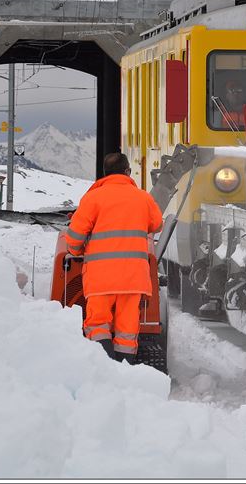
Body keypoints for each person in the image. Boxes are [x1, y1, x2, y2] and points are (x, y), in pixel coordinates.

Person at [64, 152, 163, 362]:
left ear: (104, 174)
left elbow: (73, 237)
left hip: (100, 279)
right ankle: (124, 368)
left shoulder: (93, 198)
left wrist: (76, 251)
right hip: (133, 278)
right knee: (127, 329)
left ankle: (103, 365)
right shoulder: (143, 197)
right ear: (127, 172)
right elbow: (156, 224)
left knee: (98, 323)